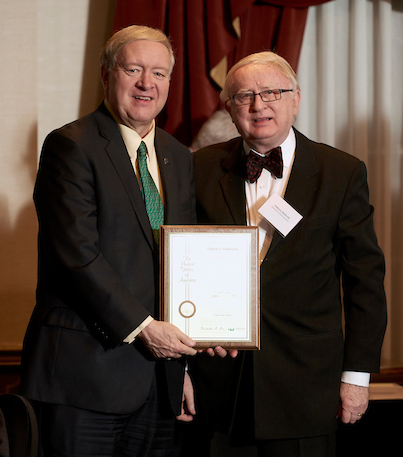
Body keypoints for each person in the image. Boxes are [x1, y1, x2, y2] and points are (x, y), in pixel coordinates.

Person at [19, 24, 229, 457]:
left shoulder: (176, 157)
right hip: (85, 379)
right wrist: (145, 328)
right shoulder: (70, 146)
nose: (146, 83)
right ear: (106, 74)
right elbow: (76, 257)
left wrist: (186, 360)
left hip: (160, 384)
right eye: (133, 69)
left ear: (170, 81)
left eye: (158, 73)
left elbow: (182, 259)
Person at [189, 51, 387, 457]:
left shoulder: (341, 171)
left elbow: (365, 280)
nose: (259, 105)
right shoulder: (199, 168)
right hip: (221, 385)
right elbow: (178, 264)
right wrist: (182, 370)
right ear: (228, 108)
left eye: (272, 92)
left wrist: (357, 376)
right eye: (244, 96)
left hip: (307, 387)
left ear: (295, 99)